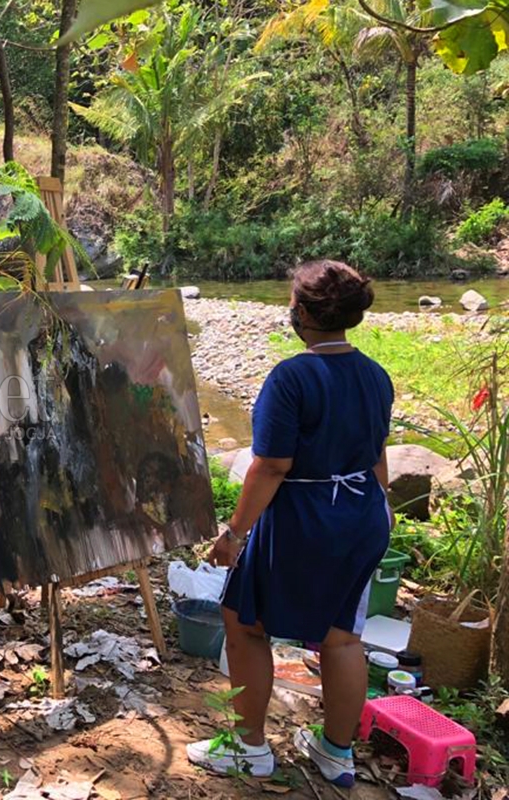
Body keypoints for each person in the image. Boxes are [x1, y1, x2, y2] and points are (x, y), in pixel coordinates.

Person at [186, 261, 394, 788]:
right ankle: (336, 754)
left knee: (243, 620)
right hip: (364, 512)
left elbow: (272, 466)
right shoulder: (374, 375)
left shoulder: (292, 376)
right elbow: (378, 458)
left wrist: (233, 534)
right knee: (343, 637)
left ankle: (249, 747)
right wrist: (374, 511)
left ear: (300, 312)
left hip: (307, 515)